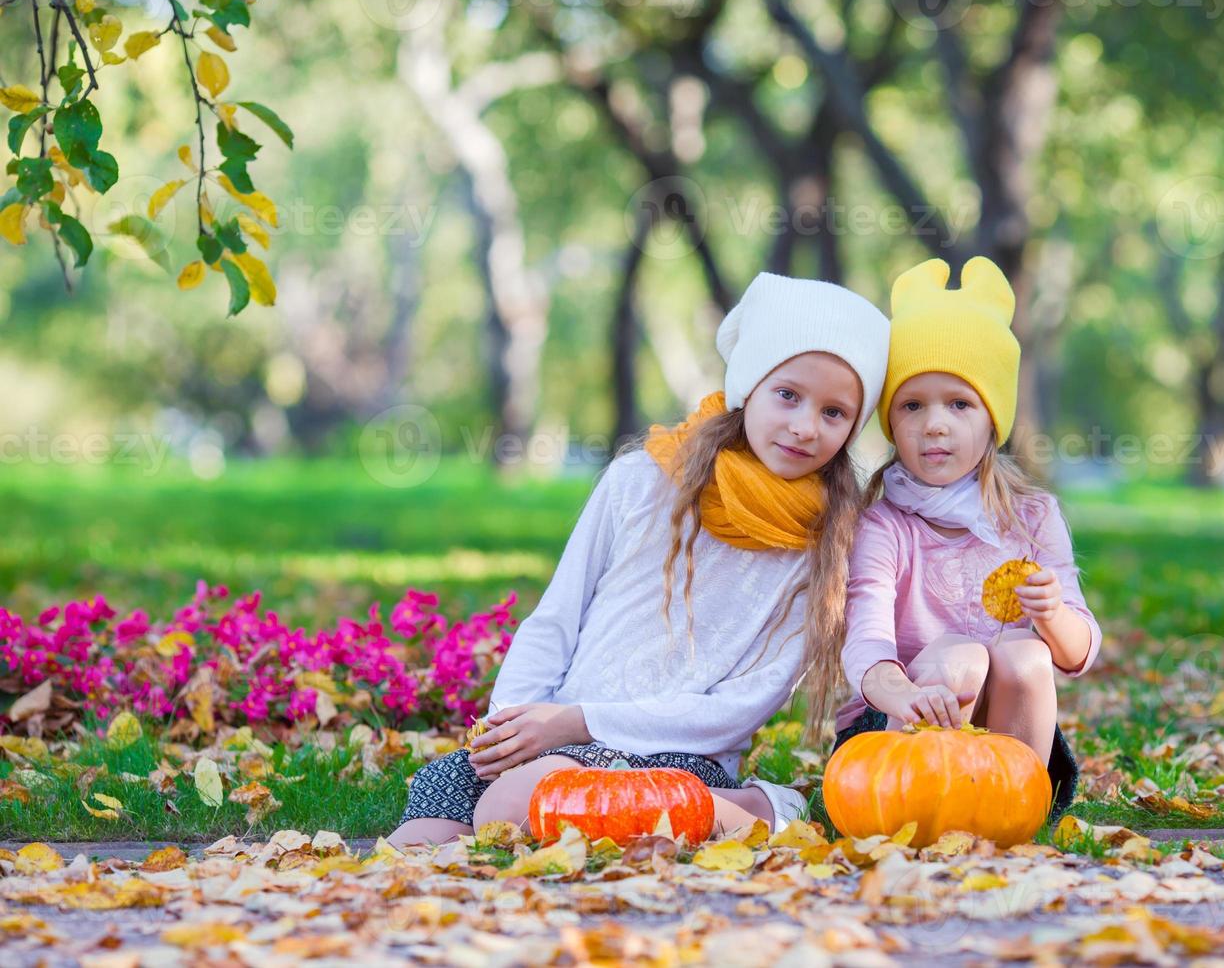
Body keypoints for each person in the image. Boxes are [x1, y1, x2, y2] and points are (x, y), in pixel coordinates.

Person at [388, 270, 891, 846]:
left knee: (512, 807)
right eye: (788, 395)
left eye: (834, 413)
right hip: (558, 735)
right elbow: (556, 618)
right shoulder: (641, 481)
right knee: (427, 828)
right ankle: (720, 817)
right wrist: (512, 724)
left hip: (676, 756)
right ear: (749, 385)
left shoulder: (822, 546)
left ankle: (748, 808)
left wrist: (579, 723)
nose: (805, 426)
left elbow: (739, 708)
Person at [836, 256, 1102, 822]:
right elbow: (866, 642)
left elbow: (1076, 653)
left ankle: (1015, 810)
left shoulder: (1031, 516)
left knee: (1026, 654)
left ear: (992, 419)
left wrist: (1053, 613)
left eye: (959, 404)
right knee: (961, 654)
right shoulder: (885, 526)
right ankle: (931, 809)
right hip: (895, 741)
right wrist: (899, 691)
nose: (935, 424)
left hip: (1005, 746)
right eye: (912, 405)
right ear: (890, 422)